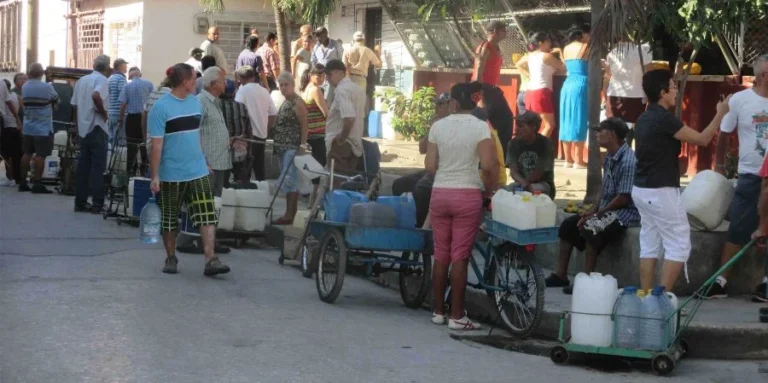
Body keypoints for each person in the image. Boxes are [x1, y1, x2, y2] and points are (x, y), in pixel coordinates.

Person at [633, 69, 730, 291]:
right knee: (679, 245)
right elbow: (703, 139)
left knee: (649, 244)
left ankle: (645, 296)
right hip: (661, 191)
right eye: (673, 87)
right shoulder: (663, 119)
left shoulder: (644, 117)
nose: (676, 91)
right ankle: (659, 299)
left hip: (642, 189)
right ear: (662, 92)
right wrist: (720, 113)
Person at [426, 82, 499, 330]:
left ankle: (437, 311)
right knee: (460, 256)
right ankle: (457, 315)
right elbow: (489, 165)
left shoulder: (438, 126)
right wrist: (488, 191)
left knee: (441, 253)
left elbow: (430, 166)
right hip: (467, 194)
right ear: (475, 101)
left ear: (454, 103)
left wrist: (445, 173)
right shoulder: (480, 127)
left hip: (440, 193)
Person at [148, 63, 230, 277]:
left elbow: (195, 136)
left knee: (207, 215)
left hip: (198, 170)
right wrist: (155, 175)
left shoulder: (195, 104)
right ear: (185, 82)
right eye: (194, 79)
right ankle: (171, 257)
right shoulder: (161, 107)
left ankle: (211, 259)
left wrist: (204, 161)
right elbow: (156, 145)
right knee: (169, 218)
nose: (197, 83)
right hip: (171, 173)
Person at [546, 118, 640, 294]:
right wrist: (592, 209)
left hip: (624, 213)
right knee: (568, 225)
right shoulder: (610, 156)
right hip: (609, 208)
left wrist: (597, 215)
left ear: (612, 135)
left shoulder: (628, 161)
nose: (597, 135)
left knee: (592, 227)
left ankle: (585, 280)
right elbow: (604, 189)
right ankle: (561, 275)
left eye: (601, 131)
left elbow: (624, 198)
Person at [707, 54, 768, 301]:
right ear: (764, 75)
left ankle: (765, 284)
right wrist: (719, 167)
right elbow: (723, 134)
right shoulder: (741, 100)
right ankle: (720, 281)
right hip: (750, 175)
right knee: (739, 229)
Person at [176, 67, 233, 255]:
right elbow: (193, 132)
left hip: (218, 163)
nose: (226, 84)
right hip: (206, 164)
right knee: (201, 202)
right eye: (223, 81)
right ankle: (187, 240)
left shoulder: (214, 103)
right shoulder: (201, 102)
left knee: (213, 204)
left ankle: (208, 241)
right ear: (213, 84)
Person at [392, 93, 453, 228]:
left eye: (441, 104)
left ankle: (420, 230)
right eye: (436, 104)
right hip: (431, 170)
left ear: (450, 105)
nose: (437, 108)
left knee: (420, 189)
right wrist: (431, 129)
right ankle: (404, 224)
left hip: (444, 172)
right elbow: (422, 149)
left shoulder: (454, 125)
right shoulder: (436, 123)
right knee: (399, 184)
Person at [72, 56, 109, 210]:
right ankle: (97, 202)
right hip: (97, 126)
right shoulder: (102, 80)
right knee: (97, 167)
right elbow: (96, 95)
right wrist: (104, 114)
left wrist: (75, 126)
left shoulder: (82, 80)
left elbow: (74, 105)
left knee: (83, 167)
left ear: (94, 65)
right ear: (107, 68)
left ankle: (80, 202)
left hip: (83, 128)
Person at [272, 72, 309, 225]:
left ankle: (289, 214)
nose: (283, 88)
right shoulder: (286, 101)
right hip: (282, 147)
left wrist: (302, 144)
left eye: (286, 84)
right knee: (288, 182)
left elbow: (305, 124)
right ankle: (289, 213)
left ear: (293, 85)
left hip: (291, 147)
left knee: (290, 181)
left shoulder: (297, 102)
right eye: (281, 85)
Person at [516, 32, 565, 138]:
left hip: (530, 91)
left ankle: (531, 147)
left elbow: (518, 64)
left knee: (532, 125)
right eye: (547, 41)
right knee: (549, 125)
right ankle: (538, 147)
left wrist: (528, 75)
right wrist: (560, 52)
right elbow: (564, 67)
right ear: (540, 43)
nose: (550, 43)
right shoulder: (546, 56)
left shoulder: (530, 55)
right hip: (541, 92)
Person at [604, 39, 653, 147]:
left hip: (614, 94)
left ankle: (618, 154)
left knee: (615, 127)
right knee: (638, 126)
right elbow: (650, 73)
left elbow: (607, 76)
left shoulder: (612, 53)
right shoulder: (641, 52)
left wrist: (604, 92)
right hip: (636, 93)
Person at [19, 63, 59, 194]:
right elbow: (56, 100)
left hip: (28, 126)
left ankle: (23, 182)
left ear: (29, 73)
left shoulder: (25, 87)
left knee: (27, 153)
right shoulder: (47, 87)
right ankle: (37, 184)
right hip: (43, 127)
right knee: (41, 155)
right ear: (42, 74)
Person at [235, 65, 277, 181]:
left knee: (245, 169)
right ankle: (261, 193)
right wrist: (267, 130)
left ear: (241, 78)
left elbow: (237, 110)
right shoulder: (264, 91)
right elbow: (273, 113)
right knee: (259, 168)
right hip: (262, 135)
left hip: (248, 136)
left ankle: (245, 194)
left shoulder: (242, 91)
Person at [324, 59, 365, 173]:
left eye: (329, 75)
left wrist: (341, 138)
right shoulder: (357, 89)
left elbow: (349, 118)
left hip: (342, 145)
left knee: (336, 182)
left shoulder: (341, 90)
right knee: (347, 182)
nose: (327, 78)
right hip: (355, 144)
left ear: (339, 72)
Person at [559, 24, 591, 169]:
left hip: (567, 84)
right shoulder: (586, 47)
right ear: (583, 34)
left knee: (566, 120)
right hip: (581, 83)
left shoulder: (566, 48)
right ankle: (579, 160)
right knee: (579, 119)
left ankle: (568, 159)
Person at [506, 111, 555, 198]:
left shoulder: (545, 143)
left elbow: (539, 173)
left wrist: (526, 185)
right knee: (505, 191)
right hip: (522, 183)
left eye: (521, 126)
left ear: (533, 127)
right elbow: (513, 171)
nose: (516, 129)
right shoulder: (513, 143)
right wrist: (523, 183)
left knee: (528, 191)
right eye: (517, 125)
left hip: (542, 184)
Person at [118, 67, 154, 176]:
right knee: (145, 144)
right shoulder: (149, 84)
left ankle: (130, 172)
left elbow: (123, 104)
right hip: (146, 117)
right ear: (140, 74)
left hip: (132, 119)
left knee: (131, 146)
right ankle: (144, 170)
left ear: (130, 76)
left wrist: (120, 119)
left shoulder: (127, 86)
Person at [299, 64, 330, 166]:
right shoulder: (316, 90)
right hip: (317, 133)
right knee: (319, 165)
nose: (322, 78)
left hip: (309, 132)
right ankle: (315, 183)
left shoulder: (306, 88)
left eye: (323, 75)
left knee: (314, 165)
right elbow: (326, 113)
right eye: (319, 75)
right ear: (311, 75)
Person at [1, 78, 22, 187]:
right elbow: (23, 108)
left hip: (7, 126)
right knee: (16, 154)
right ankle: (16, 177)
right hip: (15, 127)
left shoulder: (5, 97)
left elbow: (8, 105)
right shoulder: (16, 96)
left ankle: (10, 178)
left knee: (7, 153)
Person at [472, 21, 507, 87]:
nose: (506, 32)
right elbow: (479, 68)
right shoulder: (485, 47)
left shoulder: (495, 47)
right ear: (495, 31)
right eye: (503, 30)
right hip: (483, 88)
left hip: (490, 87)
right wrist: (479, 89)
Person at [108, 58, 129, 143]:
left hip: (110, 113)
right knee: (120, 142)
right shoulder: (121, 79)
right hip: (119, 114)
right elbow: (123, 98)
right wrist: (121, 117)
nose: (126, 67)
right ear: (121, 66)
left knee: (111, 140)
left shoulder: (110, 79)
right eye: (125, 65)